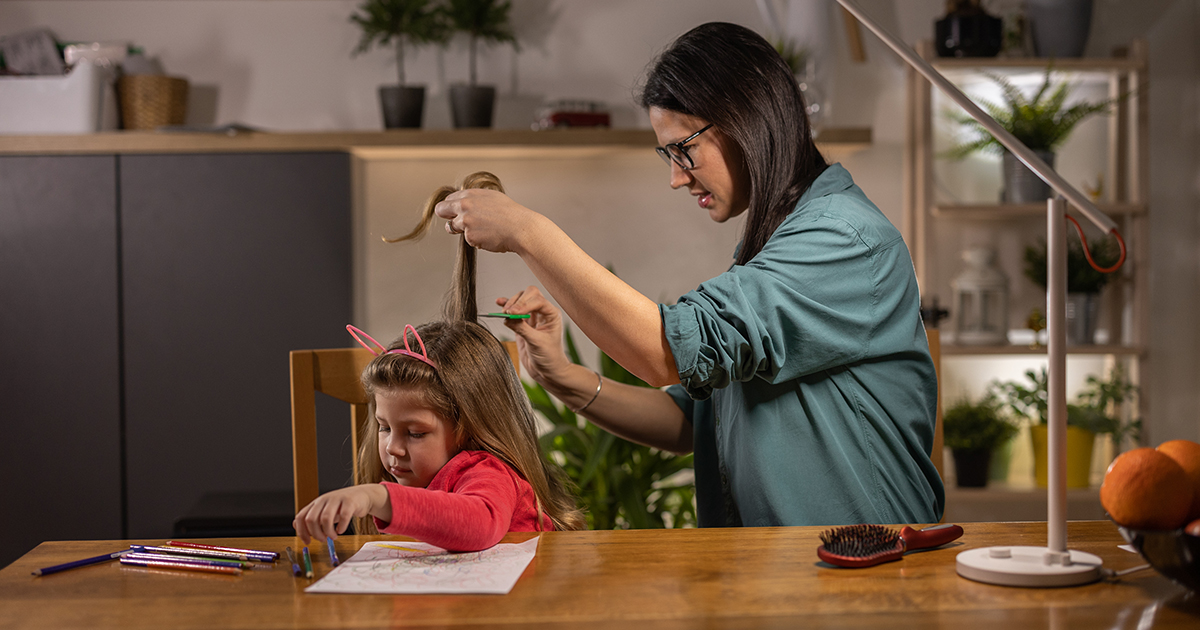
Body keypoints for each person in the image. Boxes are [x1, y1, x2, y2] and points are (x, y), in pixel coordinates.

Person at [431, 22, 944, 527]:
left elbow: (666, 354)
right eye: (667, 154)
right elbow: (696, 422)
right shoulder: (774, 242)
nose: (676, 177)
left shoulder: (842, 240)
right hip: (786, 572)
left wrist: (528, 231)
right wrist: (563, 379)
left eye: (684, 149)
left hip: (867, 571)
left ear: (746, 120)